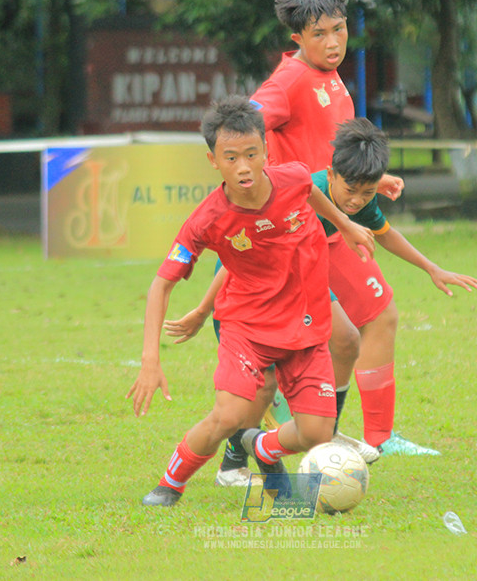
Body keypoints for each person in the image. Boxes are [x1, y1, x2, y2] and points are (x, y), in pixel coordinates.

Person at [167, 117, 477, 460]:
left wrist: (431, 268)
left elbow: (385, 232)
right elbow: (232, 263)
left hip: (296, 275)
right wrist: (202, 309)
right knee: (263, 386)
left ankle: (329, 433)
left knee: (347, 339)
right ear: (331, 176)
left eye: (368, 192)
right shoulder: (297, 199)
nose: (359, 201)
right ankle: (235, 458)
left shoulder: (359, 193)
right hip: (251, 287)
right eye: (353, 191)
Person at [127, 96, 375, 507]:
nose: (243, 166)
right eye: (230, 157)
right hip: (247, 328)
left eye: (251, 154)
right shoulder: (206, 220)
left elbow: (313, 194)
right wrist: (151, 360)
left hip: (307, 325)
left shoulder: (293, 177)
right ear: (213, 161)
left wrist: (346, 224)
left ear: (265, 151)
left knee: (316, 433)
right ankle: (170, 483)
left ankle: (261, 448)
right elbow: (161, 285)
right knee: (229, 416)